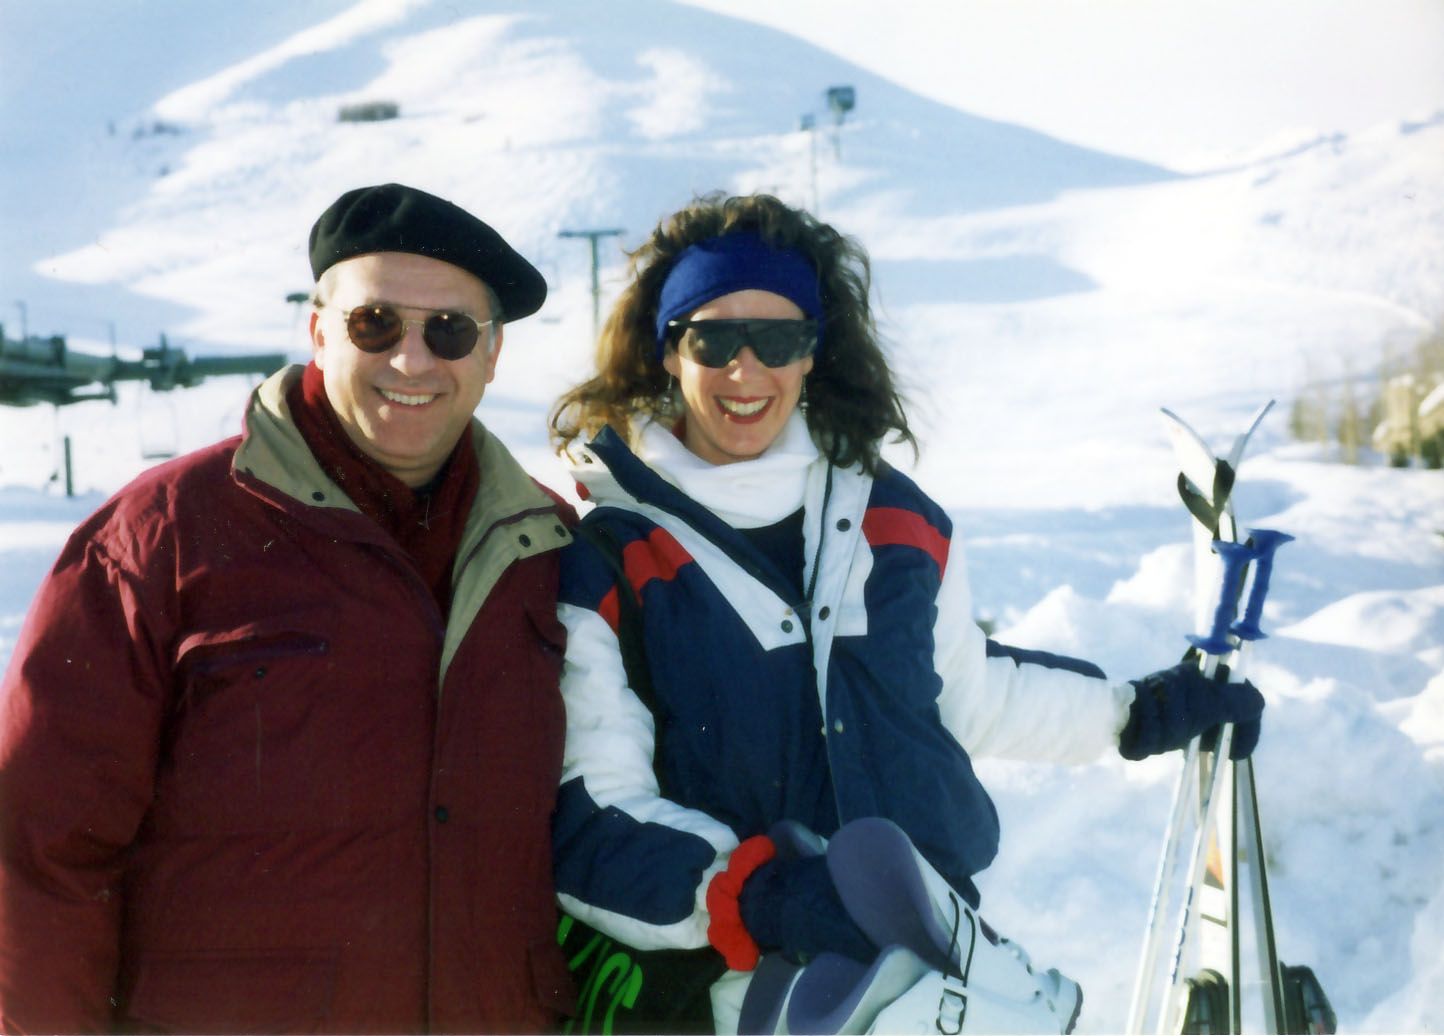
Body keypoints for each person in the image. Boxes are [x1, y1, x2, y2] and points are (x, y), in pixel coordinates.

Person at [546, 192, 1266, 1034]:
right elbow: (594, 811)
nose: (747, 371)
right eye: (714, 339)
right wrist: (758, 895)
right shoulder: (608, 558)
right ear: (669, 352)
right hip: (724, 995)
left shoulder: (895, 523)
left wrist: (1135, 713)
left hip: (928, 984)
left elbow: (966, 694)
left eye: (778, 339)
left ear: (814, 353)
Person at [0, 183, 578, 1033]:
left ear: (493, 356)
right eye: (374, 323)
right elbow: (40, 848)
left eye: (449, 331)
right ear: (317, 331)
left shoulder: (548, 550)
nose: (412, 361)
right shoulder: (159, 538)